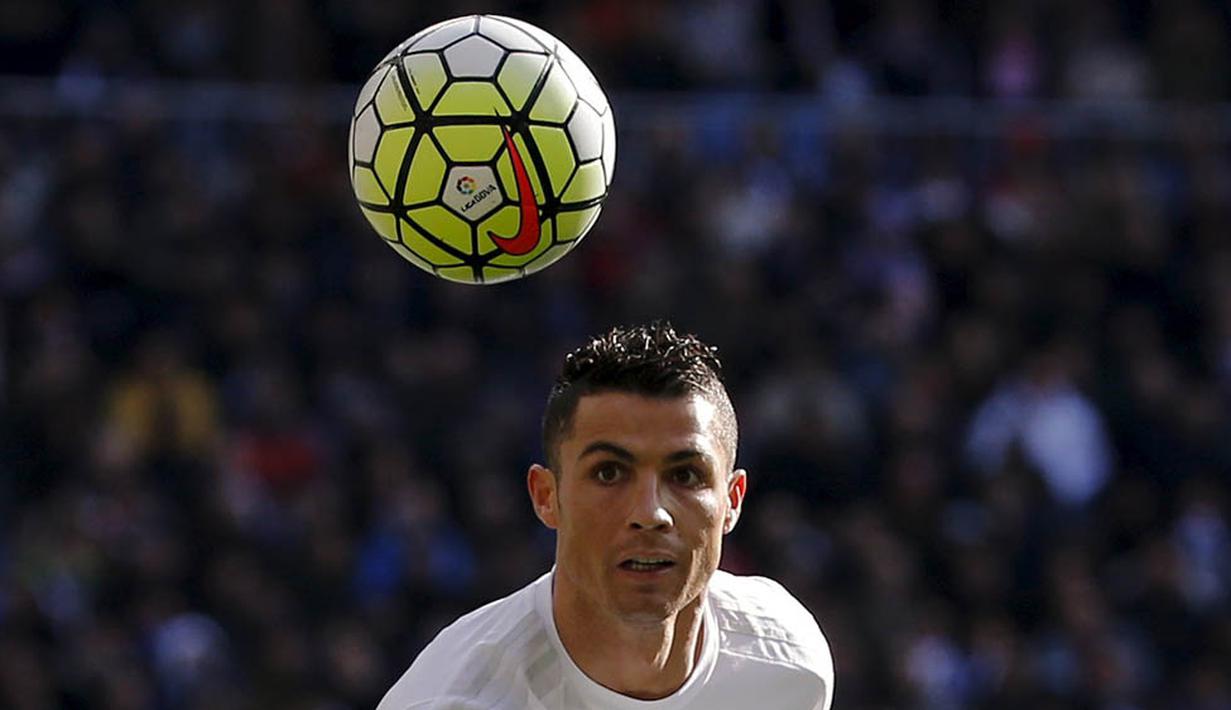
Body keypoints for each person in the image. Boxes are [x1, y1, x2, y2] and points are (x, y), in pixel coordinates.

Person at [378, 322, 834, 709]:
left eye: (686, 475)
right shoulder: (453, 699)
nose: (650, 513)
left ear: (733, 501)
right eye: (610, 472)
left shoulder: (790, 665)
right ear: (546, 496)